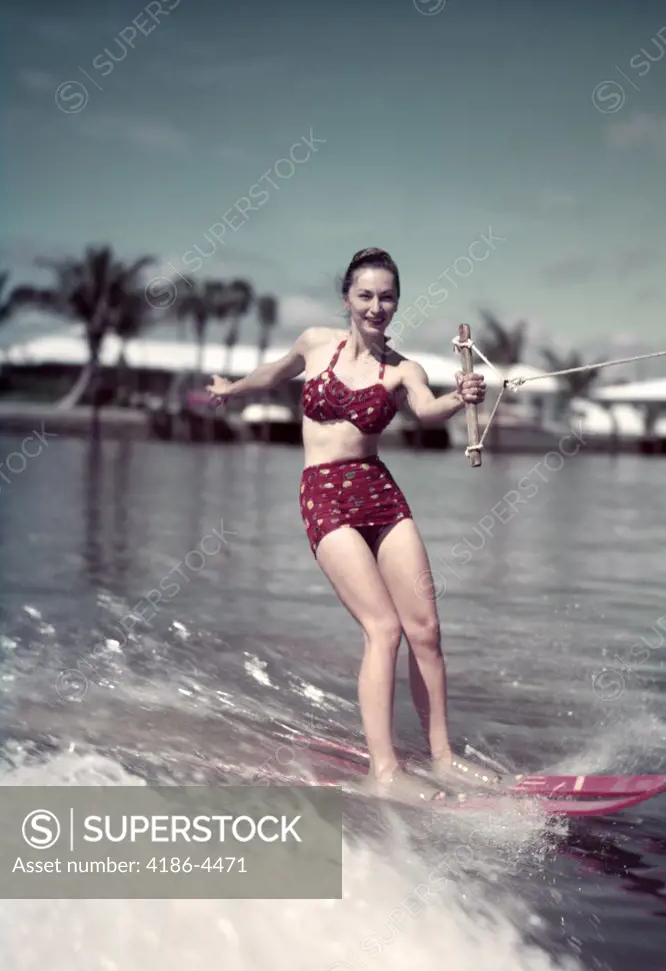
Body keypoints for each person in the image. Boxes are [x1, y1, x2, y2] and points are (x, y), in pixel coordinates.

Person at [207, 247, 490, 802]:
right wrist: (232, 389)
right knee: (382, 629)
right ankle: (384, 771)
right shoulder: (316, 342)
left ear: (397, 303)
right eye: (366, 295)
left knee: (426, 631)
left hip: (379, 493)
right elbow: (274, 372)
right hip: (324, 497)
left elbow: (427, 410)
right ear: (347, 299)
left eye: (387, 296)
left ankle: (442, 759)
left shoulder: (404, 369)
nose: (376, 306)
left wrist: (462, 397)